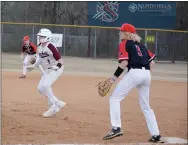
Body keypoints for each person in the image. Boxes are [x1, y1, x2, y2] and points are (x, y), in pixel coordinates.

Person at [102, 23, 164, 143]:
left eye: (121, 31)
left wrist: (113, 79)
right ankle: (156, 135)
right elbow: (152, 63)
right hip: (147, 74)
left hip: (134, 73)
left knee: (114, 99)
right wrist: (144, 75)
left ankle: (116, 128)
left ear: (127, 33)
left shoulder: (124, 43)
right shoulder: (142, 46)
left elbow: (124, 62)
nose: (120, 33)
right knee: (146, 106)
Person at [26, 28, 66, 117]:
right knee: (40, 88)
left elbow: (61, 60)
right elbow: (40, 58)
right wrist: (34, 66)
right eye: (39, 36)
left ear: (47, 37)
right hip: (47, 69)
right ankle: (57, 102)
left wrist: (58, 66)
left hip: (56, 69)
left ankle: (54, 106)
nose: (39, 38)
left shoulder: (50, 46)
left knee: (46, 85)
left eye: (41, 36)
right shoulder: (40, 46)